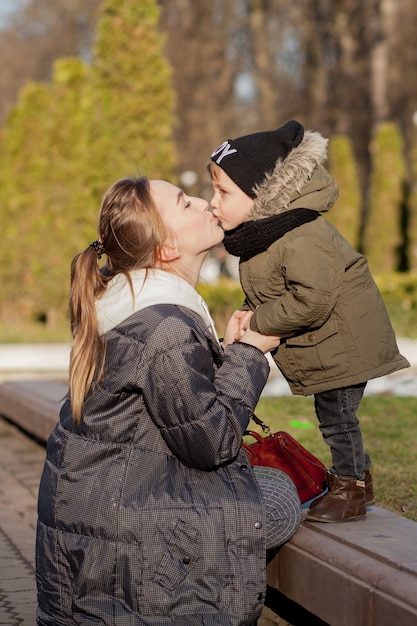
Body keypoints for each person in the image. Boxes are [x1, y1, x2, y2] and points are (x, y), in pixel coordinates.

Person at [35, 176, 302, 626]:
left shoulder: (133, 305)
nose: (201, 202)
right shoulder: (164, 326)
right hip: (121, 539)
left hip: (96, 523)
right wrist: (252, 353)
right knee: (278, 498)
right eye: (184, 202)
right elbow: (210, 443)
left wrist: (228, 350)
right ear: (167, 250)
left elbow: (175, 408)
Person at [208, 120, 410, 524]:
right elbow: (275, 287)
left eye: (223, 192)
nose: (212, 201)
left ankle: (350, 488)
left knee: (338, 419)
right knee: (334, 416)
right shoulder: (271, 234)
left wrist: (259, 319)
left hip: (347, 344)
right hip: (332, 343)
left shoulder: (301, 236)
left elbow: (312, 299)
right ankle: (359, 478)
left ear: (260, 195)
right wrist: (253, 310)